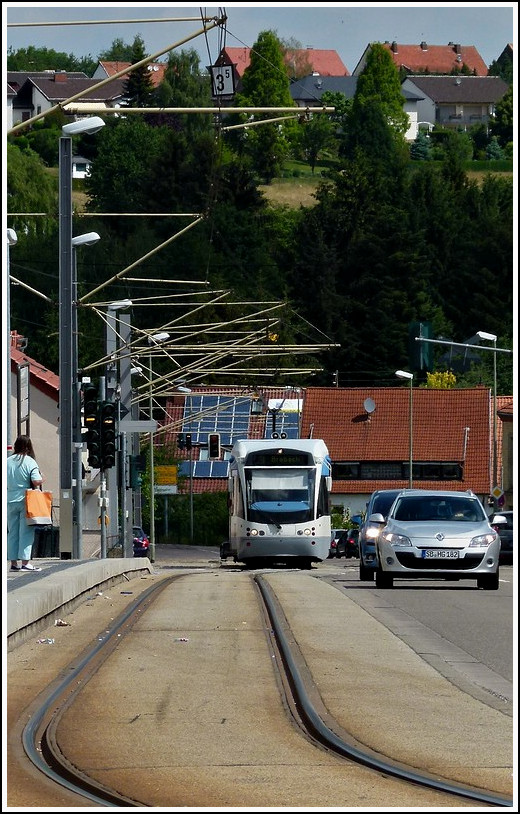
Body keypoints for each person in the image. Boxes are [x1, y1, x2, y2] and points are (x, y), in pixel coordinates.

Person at [7, 435, 43, 572]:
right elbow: (36, 481)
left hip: (9, 500)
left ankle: (14, 563)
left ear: (16, 446)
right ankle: (25, 563)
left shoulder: (7, 461)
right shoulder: (30, 462)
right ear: (28, 447)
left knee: (12, 532)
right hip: (26, 500)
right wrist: (42, 478)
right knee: (26, 532)